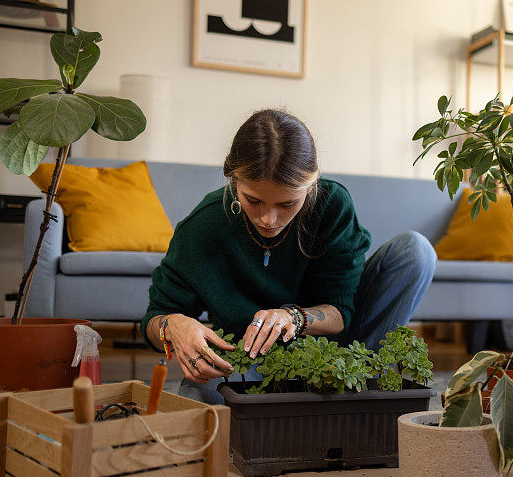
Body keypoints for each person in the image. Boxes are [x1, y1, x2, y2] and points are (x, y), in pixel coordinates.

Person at [142, 109, 437, 404]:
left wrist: (293, 316)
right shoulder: (204, 225)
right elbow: (155, 318)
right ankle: (328, 401)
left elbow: (341, 312)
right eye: (253, 200)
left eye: (287, 204)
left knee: (415, 250)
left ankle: (360, 386)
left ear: (312, 184)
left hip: (342, 351)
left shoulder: (332, 205)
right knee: (203, 396)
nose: (268, 219)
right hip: (255, 360)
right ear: (233, 179)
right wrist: (173, 325)